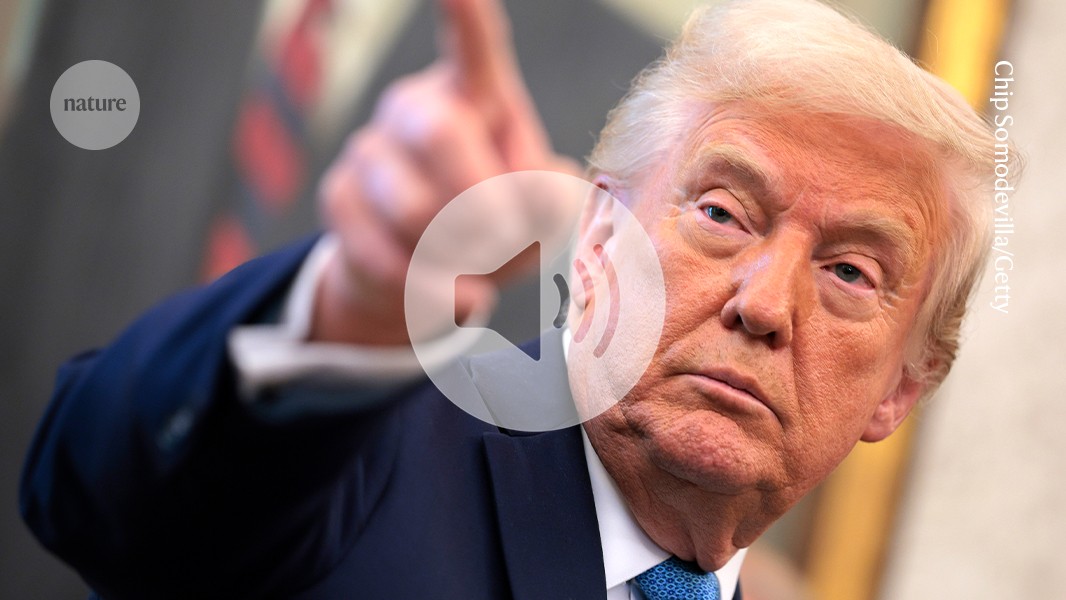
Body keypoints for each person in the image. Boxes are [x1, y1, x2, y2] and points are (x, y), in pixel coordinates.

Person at [20, 0, 1013, 598]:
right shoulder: (370, 463)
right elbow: (106, 500)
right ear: (596, 242)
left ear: (900, 389)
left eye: (850, 272)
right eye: (721, 212)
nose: (765, 304)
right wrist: (350, 312)